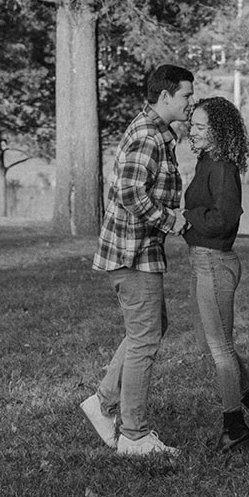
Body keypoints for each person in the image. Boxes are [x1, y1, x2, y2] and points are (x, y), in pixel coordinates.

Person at [80, 63, 194, 458]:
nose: (190, 103)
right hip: (133, 253)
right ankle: (133, 435)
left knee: (151, 327)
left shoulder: (156, 131)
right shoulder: (148, 135)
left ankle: (102, 403)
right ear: (165, 96)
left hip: (138, 250)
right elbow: (129, 191)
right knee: (145, 337)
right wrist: (170, 220)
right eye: (186, 95)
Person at [183, 96, 249, 453]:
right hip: (200, 262)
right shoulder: (206, 162)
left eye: (199, 126)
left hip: (215, 263)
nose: (191, 131)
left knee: (221, 351)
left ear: (217, 131)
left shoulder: (223, 167)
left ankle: (234, 427)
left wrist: (186, 217)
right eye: (192, 125)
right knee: (210, 344)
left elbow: (223, 220)